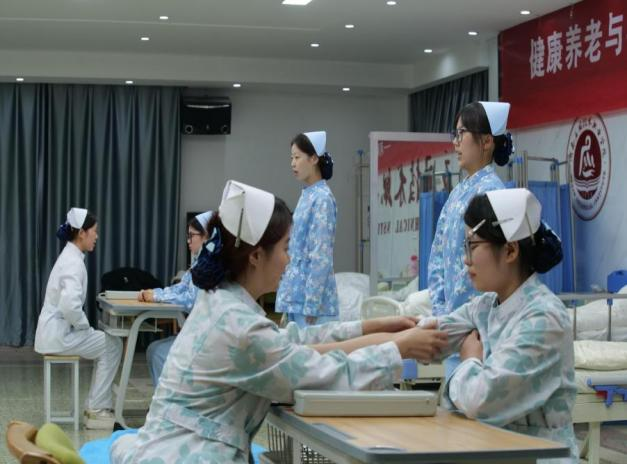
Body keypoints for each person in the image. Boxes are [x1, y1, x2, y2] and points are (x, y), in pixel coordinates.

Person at [110, 180, 448, 463]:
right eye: (286, 248)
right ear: (256, 255)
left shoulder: (223, 301)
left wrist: (374, 326)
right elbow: (322, 372)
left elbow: (290, 342)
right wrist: (398, 349)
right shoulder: (239, 326)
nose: (290, 260)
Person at [421, 188, 578, 463]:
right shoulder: (485, 306)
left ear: (510, 250)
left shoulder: (544, 318)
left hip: (540, 456)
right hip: (497, 450)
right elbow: (430, 336)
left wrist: (470, 360)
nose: (465, 259)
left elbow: (480, 399)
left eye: (472, 246)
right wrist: (371, 337)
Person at [428, 101, 513, 377]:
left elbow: (496, 268)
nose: (455, 142)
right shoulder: (457, 193)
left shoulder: (494, 194)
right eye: (455, 134)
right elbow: (437, 255)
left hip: (479, 333)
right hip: (454, 325)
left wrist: (471, 322)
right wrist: (441, 312)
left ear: (486, 141)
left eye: (461, 133)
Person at [35, 208, 123, 429]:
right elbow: (70, 306)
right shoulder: (73, 262)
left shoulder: (70, 257)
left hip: (56, 332)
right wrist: (84, 327)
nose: (97, 236)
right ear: (82, 233)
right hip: (58, 336)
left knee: (106, 343)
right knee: (112, 345)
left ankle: (95, 405)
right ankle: (96, 409)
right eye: (94, 231)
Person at [137, 211, 212, 385]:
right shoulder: (199, 263)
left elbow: (190, 300)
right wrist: (154, 293)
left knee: (158, 353)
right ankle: (165, 399)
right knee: (154, 349)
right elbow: (180, 289)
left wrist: (156, 296)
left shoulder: (209, 266)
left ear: (206, 236)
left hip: (207, 336)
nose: (188, 241)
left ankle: (168, 399)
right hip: (198, 331)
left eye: (192, 236)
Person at [275, 131, 338, 327]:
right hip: (296, 299)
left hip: (312, 307)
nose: (292, 163)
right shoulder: (307, 195)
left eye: (297, 157)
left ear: (313, 159)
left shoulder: (322, 198)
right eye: (291, 158)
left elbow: (320, 254)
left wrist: (312, 302)